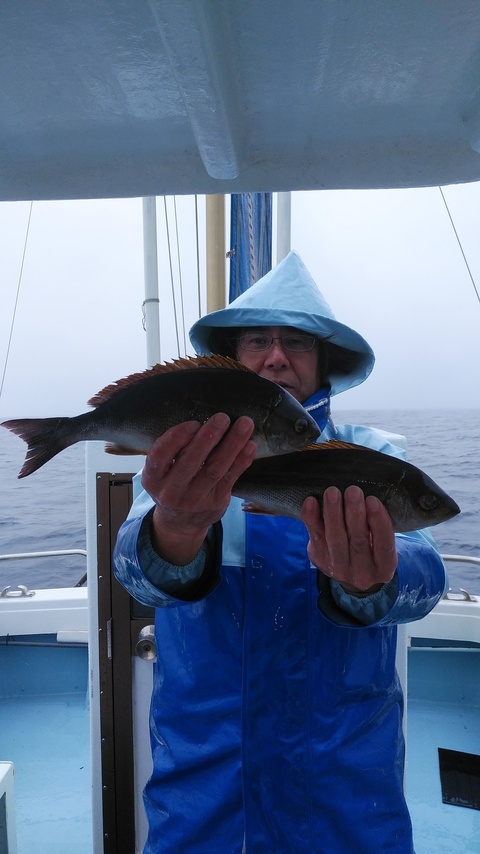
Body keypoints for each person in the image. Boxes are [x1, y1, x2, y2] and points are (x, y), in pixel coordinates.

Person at [113, 251, 447, 853]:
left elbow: (428, 573)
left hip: (347, 779)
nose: (276, 356)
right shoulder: (177, 464)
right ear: (232, 361)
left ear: (324, 363)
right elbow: (135, 577)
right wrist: (176, 529)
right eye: (258, 341)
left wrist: (377, 579)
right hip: (207, 776)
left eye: (297, 343)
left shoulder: (374, 455)